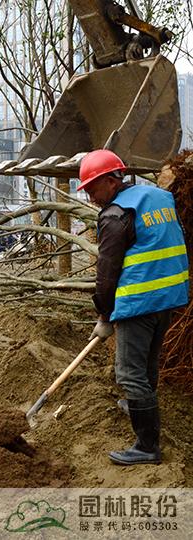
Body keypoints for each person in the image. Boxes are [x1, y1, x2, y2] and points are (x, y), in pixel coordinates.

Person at [78, 149, 189, 466]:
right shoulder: (157, 198)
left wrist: (104, 312)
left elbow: (107, 272)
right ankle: (141, 406)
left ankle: (146, 446)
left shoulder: (116, 214)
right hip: (167, 297)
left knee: (128, 373)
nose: (90, 197)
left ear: (111, 181)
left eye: (92, 188)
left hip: (139, 302)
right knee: (146, 365)